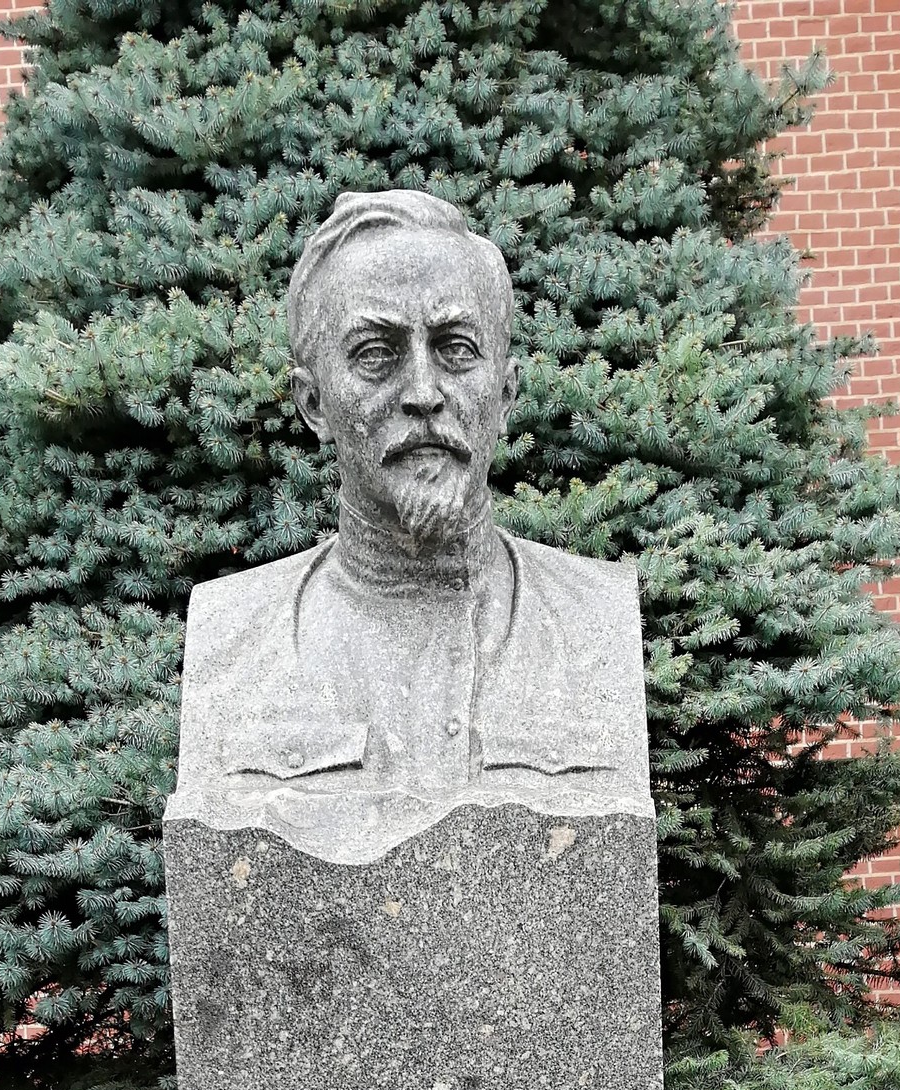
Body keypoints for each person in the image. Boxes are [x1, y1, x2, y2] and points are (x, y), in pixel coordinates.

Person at [170, 188, 649, 864]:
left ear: (505, 394)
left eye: (456, 349)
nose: (424, 392)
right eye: (376, 354)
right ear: (313, 403)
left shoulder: (594, 621)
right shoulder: (235, 636)